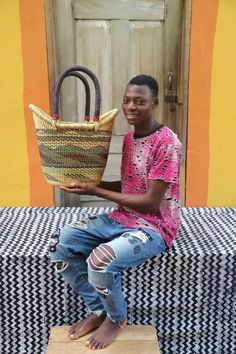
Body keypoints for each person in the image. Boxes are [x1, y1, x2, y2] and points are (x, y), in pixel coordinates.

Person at [50, 74, 182, 350]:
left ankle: (116, 317)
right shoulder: (131, 136)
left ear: (155, 103)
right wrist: (92, 185)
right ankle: (98, 309)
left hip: (153, 226)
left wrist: (96, 192)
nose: (131, 107)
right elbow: (129, 183)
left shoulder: (167, 143)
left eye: (139, 101)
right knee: (61, 243)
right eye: (127, 100)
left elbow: (150, 202)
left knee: (100, 260)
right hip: (122, 217)